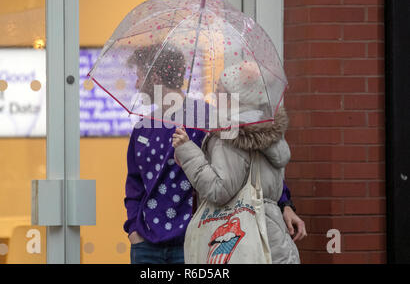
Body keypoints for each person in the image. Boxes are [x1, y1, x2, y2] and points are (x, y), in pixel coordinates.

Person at [123, 44, 305, 264]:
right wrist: (134, 230)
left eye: (139, 76)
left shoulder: (210, 119)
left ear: (155, 77)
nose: (135, 83)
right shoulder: (142, 128)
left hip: (195, 238)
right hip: (146, 246)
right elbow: (134, 185)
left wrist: (285, 204)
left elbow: (254, 160)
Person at [173, 62, 302, 263]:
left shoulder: (230, 134)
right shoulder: (269, 132)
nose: (214, 96)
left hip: (241, 241)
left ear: (236, 97)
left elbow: (219, 190)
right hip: (273, 237)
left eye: (220, 91)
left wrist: (188, 152)